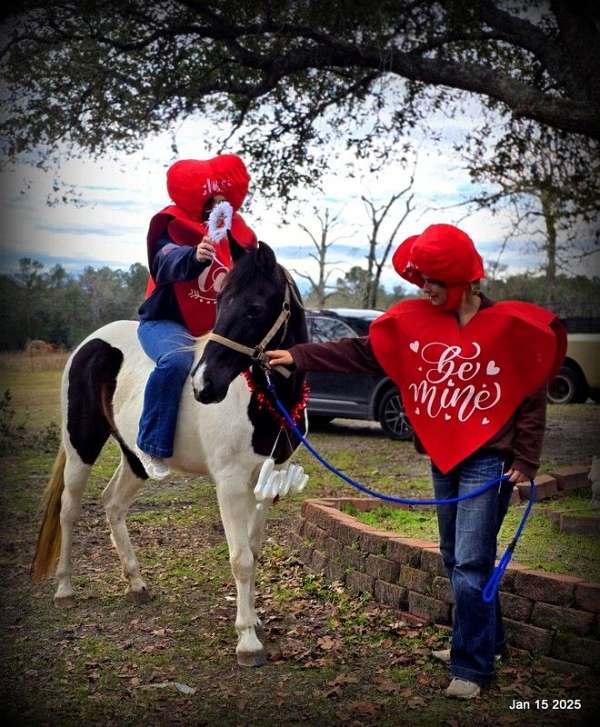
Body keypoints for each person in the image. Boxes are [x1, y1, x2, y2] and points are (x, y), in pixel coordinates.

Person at [267, 223, 566, 699]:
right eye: (421, 279)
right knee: (455, 555)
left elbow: (531, 391)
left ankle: (471, 667)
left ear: (467, 282)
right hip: (443, 455)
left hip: (490, 459)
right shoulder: (416, 321)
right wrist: (299, 355)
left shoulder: (508, 327)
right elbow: (364, 353)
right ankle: (486, 642)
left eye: (434, 281)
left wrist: (527, 458)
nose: (424, 288)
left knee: (470, 560)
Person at [136, 154, 257, 479]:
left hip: (212, 328)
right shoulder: (170, 225)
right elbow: (163, 260)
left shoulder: (240, 235)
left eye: (223, 200)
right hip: (165, 322)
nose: (219, 205)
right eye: (212, 201)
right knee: (176, 361)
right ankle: (151, 444)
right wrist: (193, 256)